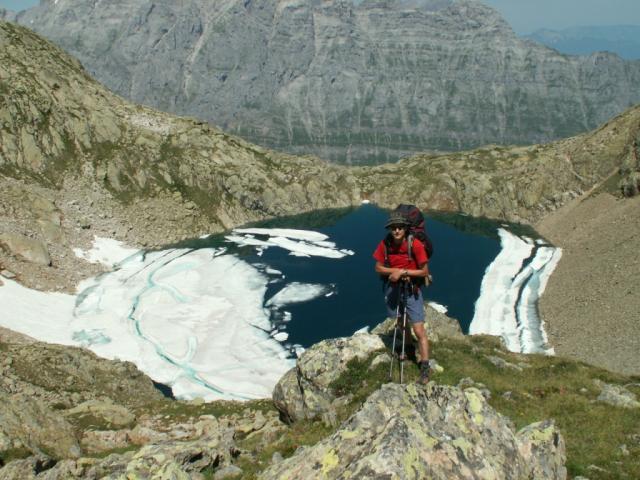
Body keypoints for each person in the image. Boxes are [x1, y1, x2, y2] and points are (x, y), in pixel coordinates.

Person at [373, 210, 432, 384]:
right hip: (394, 287)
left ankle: (425, 365)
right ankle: (408, 348)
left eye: (399, 228)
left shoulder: (415, 245)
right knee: (400, 322)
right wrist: (395, 272)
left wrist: (403, 272)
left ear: (405, 228)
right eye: (393, 228)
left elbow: (424, 271)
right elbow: (378, 267)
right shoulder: (386, 244)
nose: (396, 231)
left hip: (411, 288)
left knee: (419, 329)